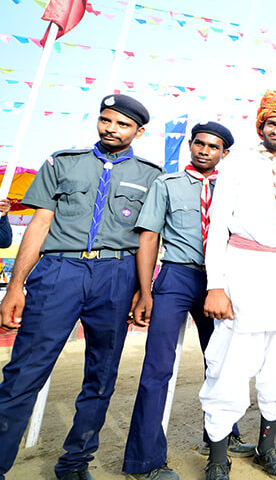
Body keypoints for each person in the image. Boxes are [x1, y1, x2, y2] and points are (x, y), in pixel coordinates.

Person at [0, 94, 162, 480]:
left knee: (102, 375)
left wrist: (144, 290)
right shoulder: (62, 163)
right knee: (24, 372)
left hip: (116, 277)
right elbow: (39, 224)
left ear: (139, 131)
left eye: (122, 124)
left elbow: (146, 238)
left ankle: (74, 463)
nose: (111, 128)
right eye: (106, 120)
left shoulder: (150, 176)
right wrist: (15, 286)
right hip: (59, 271)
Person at [123, 122, 251, 480]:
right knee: (157, 367)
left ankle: (223, 438)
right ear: (191, 145)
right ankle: (145, 460)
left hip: (220, 280)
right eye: (199, 143)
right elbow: (149, 237)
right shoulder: (167, 184)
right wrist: (146, 290)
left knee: (223, 361)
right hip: (178, 275)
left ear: (225, 153)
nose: (205, 150)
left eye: (214, 146)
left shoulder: (238, 188)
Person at [199, 89, 276, 480]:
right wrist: (216, 286)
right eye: (272, 123)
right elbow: (217, 229)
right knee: (229, 366)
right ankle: (217, 458)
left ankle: (267, 448)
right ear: (261, 125)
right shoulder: (237, 165)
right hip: (241, 271)